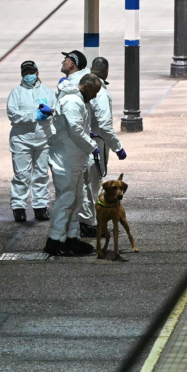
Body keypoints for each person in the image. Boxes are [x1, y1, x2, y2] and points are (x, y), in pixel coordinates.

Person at [44, 72, 101, 256]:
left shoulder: (79, 101)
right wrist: (92, 146)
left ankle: (71, 238)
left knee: (76, 200)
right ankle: (55, 241)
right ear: (85, 87)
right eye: (94, 92)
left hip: (74, 158)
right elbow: (74, 129)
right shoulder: (72, 102)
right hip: (65, 159)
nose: (94, 96)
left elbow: (77, 127)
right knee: (66, 200)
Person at [77, 56, 128, 238]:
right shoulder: (102, 94)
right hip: (96, 145)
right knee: (91, 186)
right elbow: (105, 126)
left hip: (80, 143)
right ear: (107, 72)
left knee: (81, 185)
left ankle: (81, 222)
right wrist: (117, 147)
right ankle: (88, 223)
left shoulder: (79, 86)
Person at [6, 60, 56, 222]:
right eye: (26, 73)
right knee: (21, 175)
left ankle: (41, 206)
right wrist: (35, 115)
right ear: (22, 75)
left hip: (43, 139)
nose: (29, 76)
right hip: (21, 140)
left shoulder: (47, 91)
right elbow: (13, 115)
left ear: (37, 73)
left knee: (41, 174)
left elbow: (56, 111)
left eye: (31, 72)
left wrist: (50, 112)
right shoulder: (16, 92)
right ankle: (18, 207)